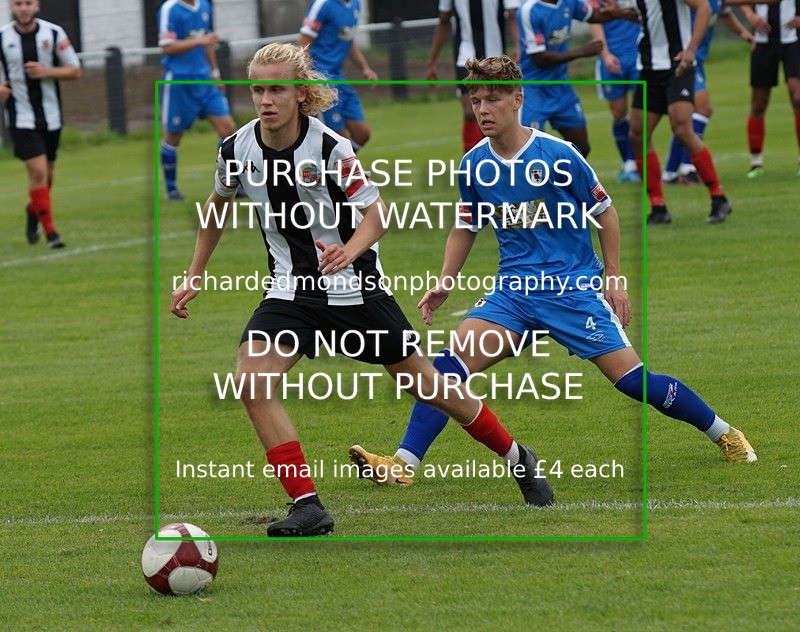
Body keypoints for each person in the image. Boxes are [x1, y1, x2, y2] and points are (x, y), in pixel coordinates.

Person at [170, 43, 553, 538]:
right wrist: (194, 272)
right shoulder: (235, 149)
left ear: (301, 93)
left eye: (277, 89)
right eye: (258, 88)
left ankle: (517, 455)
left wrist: (349, 252)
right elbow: (216, 208)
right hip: (290, 293)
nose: (265, 99)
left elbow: (377, 216)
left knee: (431, 388)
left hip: (357, 293)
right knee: (252, 382)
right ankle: (308, 506)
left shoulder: (331, 148)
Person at [349, 55, 756, 490]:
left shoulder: (559, 155)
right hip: (514, 293)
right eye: (475, 99)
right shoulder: (472, 164)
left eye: (493, 99)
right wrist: (445, 282)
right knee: (445, 371)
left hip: (572, 291)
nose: (482, 109)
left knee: (634, 382)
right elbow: (465, 226)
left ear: (518, 100)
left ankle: (725, 432)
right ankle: (403, 463)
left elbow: (605, 212)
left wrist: (613, 279)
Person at [630, 0, 732, 224]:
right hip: (649, 68)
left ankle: (718, 195)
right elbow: (644, 14)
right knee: (637, 134)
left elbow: (704, 7)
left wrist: (691, 50)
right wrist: (615, 13)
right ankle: (658, 206)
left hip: (678, 65)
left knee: (682, 127)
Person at [0, 0, 81, 248]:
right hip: (20, 118)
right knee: (37, 172)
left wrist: (46, 72)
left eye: (28, 3)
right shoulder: (2, 37)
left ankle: (32, 209)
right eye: (18, 4)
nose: (23, 8)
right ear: (11, 8)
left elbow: (75, 70)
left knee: (46, 179)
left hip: (51, 116)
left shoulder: (53, 33)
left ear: (37, 6)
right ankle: (52, 234)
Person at [517, 0, 639, 157]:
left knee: (581, 148)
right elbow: (539, 58)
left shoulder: (569, 2)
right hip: (533, 90)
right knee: (525, 151)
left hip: (561, 87)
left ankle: (556, 176)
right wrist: (581, 52)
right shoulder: (529, 10)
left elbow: (593, 15)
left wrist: (617, 13)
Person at [661, 0, 755, 184]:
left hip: (696, 60)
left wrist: (744, 33)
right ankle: (688, 167)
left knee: (685, 119)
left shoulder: (717, 2)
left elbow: (725, 13)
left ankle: (670, 173)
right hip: (683, 57)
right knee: (703, 109)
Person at [157, 0, 236, 201]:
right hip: (179, 81)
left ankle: (227, 183)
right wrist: (199, 41)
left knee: (228, 129)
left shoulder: (204, 6)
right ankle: (171, 189)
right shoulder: (170, 9)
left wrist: (215, 73)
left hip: (205, 80)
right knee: (174, 135)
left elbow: (207, 43)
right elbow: (167, 47)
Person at [426, 0, 520, 152]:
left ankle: (498, 156)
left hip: (496, 60)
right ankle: (471, 164)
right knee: (470, 112)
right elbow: (444, 20)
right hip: (466, 59)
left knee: (497, 111)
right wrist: (432, 61)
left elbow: (513, 14)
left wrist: (518, 45)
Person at [298, 0, 376, 152]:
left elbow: (348, 39)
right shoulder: (323, 4)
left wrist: (365, 68)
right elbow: (303, 44)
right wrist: (309, 79)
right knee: (338, 138)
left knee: (362, 133)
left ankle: (336, 167)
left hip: (339, 77)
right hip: (321, 79)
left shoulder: (355, 5)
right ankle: (338, 170)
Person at [739, 0, 800, 177]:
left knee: (797, 97)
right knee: (759, 102)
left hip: (793, 42)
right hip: (763, 42)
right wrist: (749, 15)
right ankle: (756, 162)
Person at [590, 4, 642, 182]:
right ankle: (628, 163)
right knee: (618, 112)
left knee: (639, 110)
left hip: (638, 56)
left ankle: (634, 163)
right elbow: (594, 20)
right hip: (613, 57)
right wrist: (606, 55)